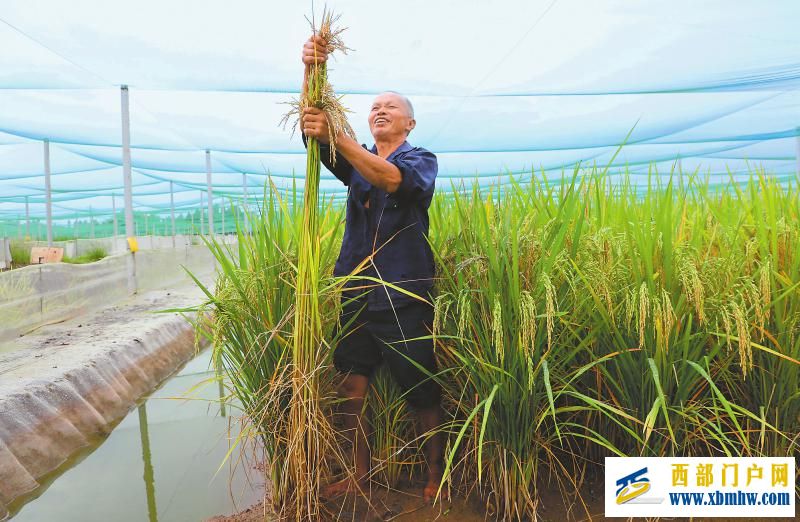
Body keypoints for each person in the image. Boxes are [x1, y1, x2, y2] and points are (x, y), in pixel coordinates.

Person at [299, 34, 445, 503]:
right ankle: (358, 471)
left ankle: (434, 473)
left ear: (410, 121)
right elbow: (312, 131)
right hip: (358, 290)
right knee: (351, 385)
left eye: (389, 107)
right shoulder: (356, 163)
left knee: (420, 387)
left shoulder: (418, 160)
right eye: (374, 106)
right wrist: (311, 68)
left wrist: (337, 137)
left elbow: (392, 180)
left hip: (403, 293)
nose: (379, 110)